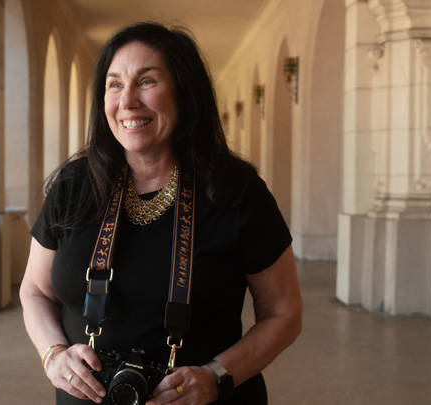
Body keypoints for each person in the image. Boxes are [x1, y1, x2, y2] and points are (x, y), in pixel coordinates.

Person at [20, 22, 302, 405]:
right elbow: (35, 290)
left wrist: (215, 375)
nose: (128, 100)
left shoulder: (236, 191)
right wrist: (53, 354)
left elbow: (284, 314)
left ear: (185, 93)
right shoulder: (74, 185)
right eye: (115, 84)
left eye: (147, 81)